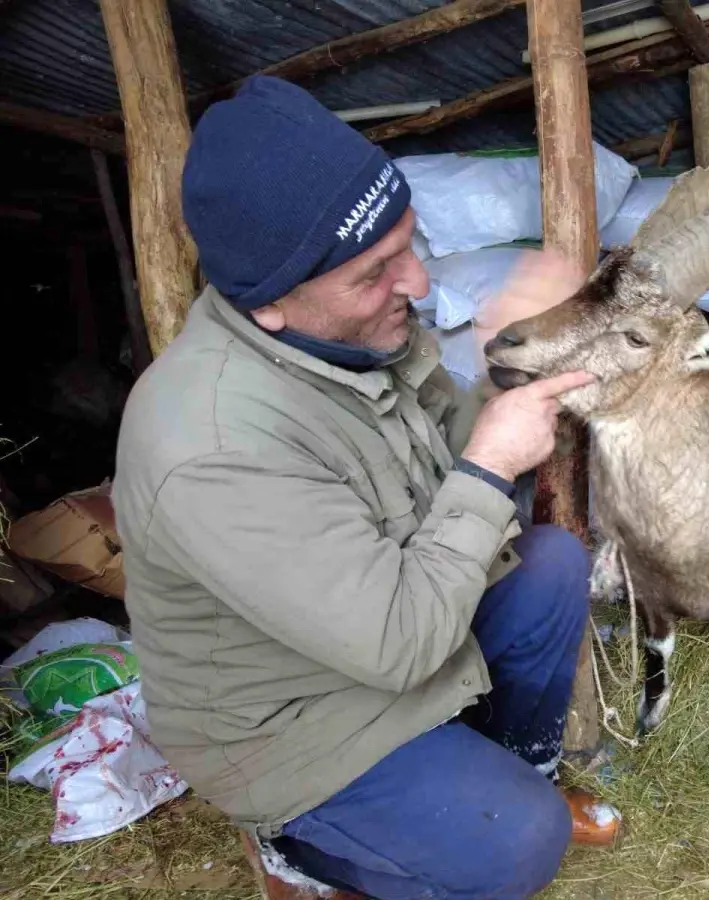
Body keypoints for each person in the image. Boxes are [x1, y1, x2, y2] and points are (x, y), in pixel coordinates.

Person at [111, 75, 612, 900]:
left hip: (382, 625)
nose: (416, 284)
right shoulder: (206, 441)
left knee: (552, 564)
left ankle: (508, 772)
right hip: (294, 720)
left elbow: (447, 441)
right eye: (376, 272)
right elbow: (399, 642)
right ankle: (302, 852)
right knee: (520, 848)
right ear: (272, 304)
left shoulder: (355, 335)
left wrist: (500, 366)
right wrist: (491, 463)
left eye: (411, 245)